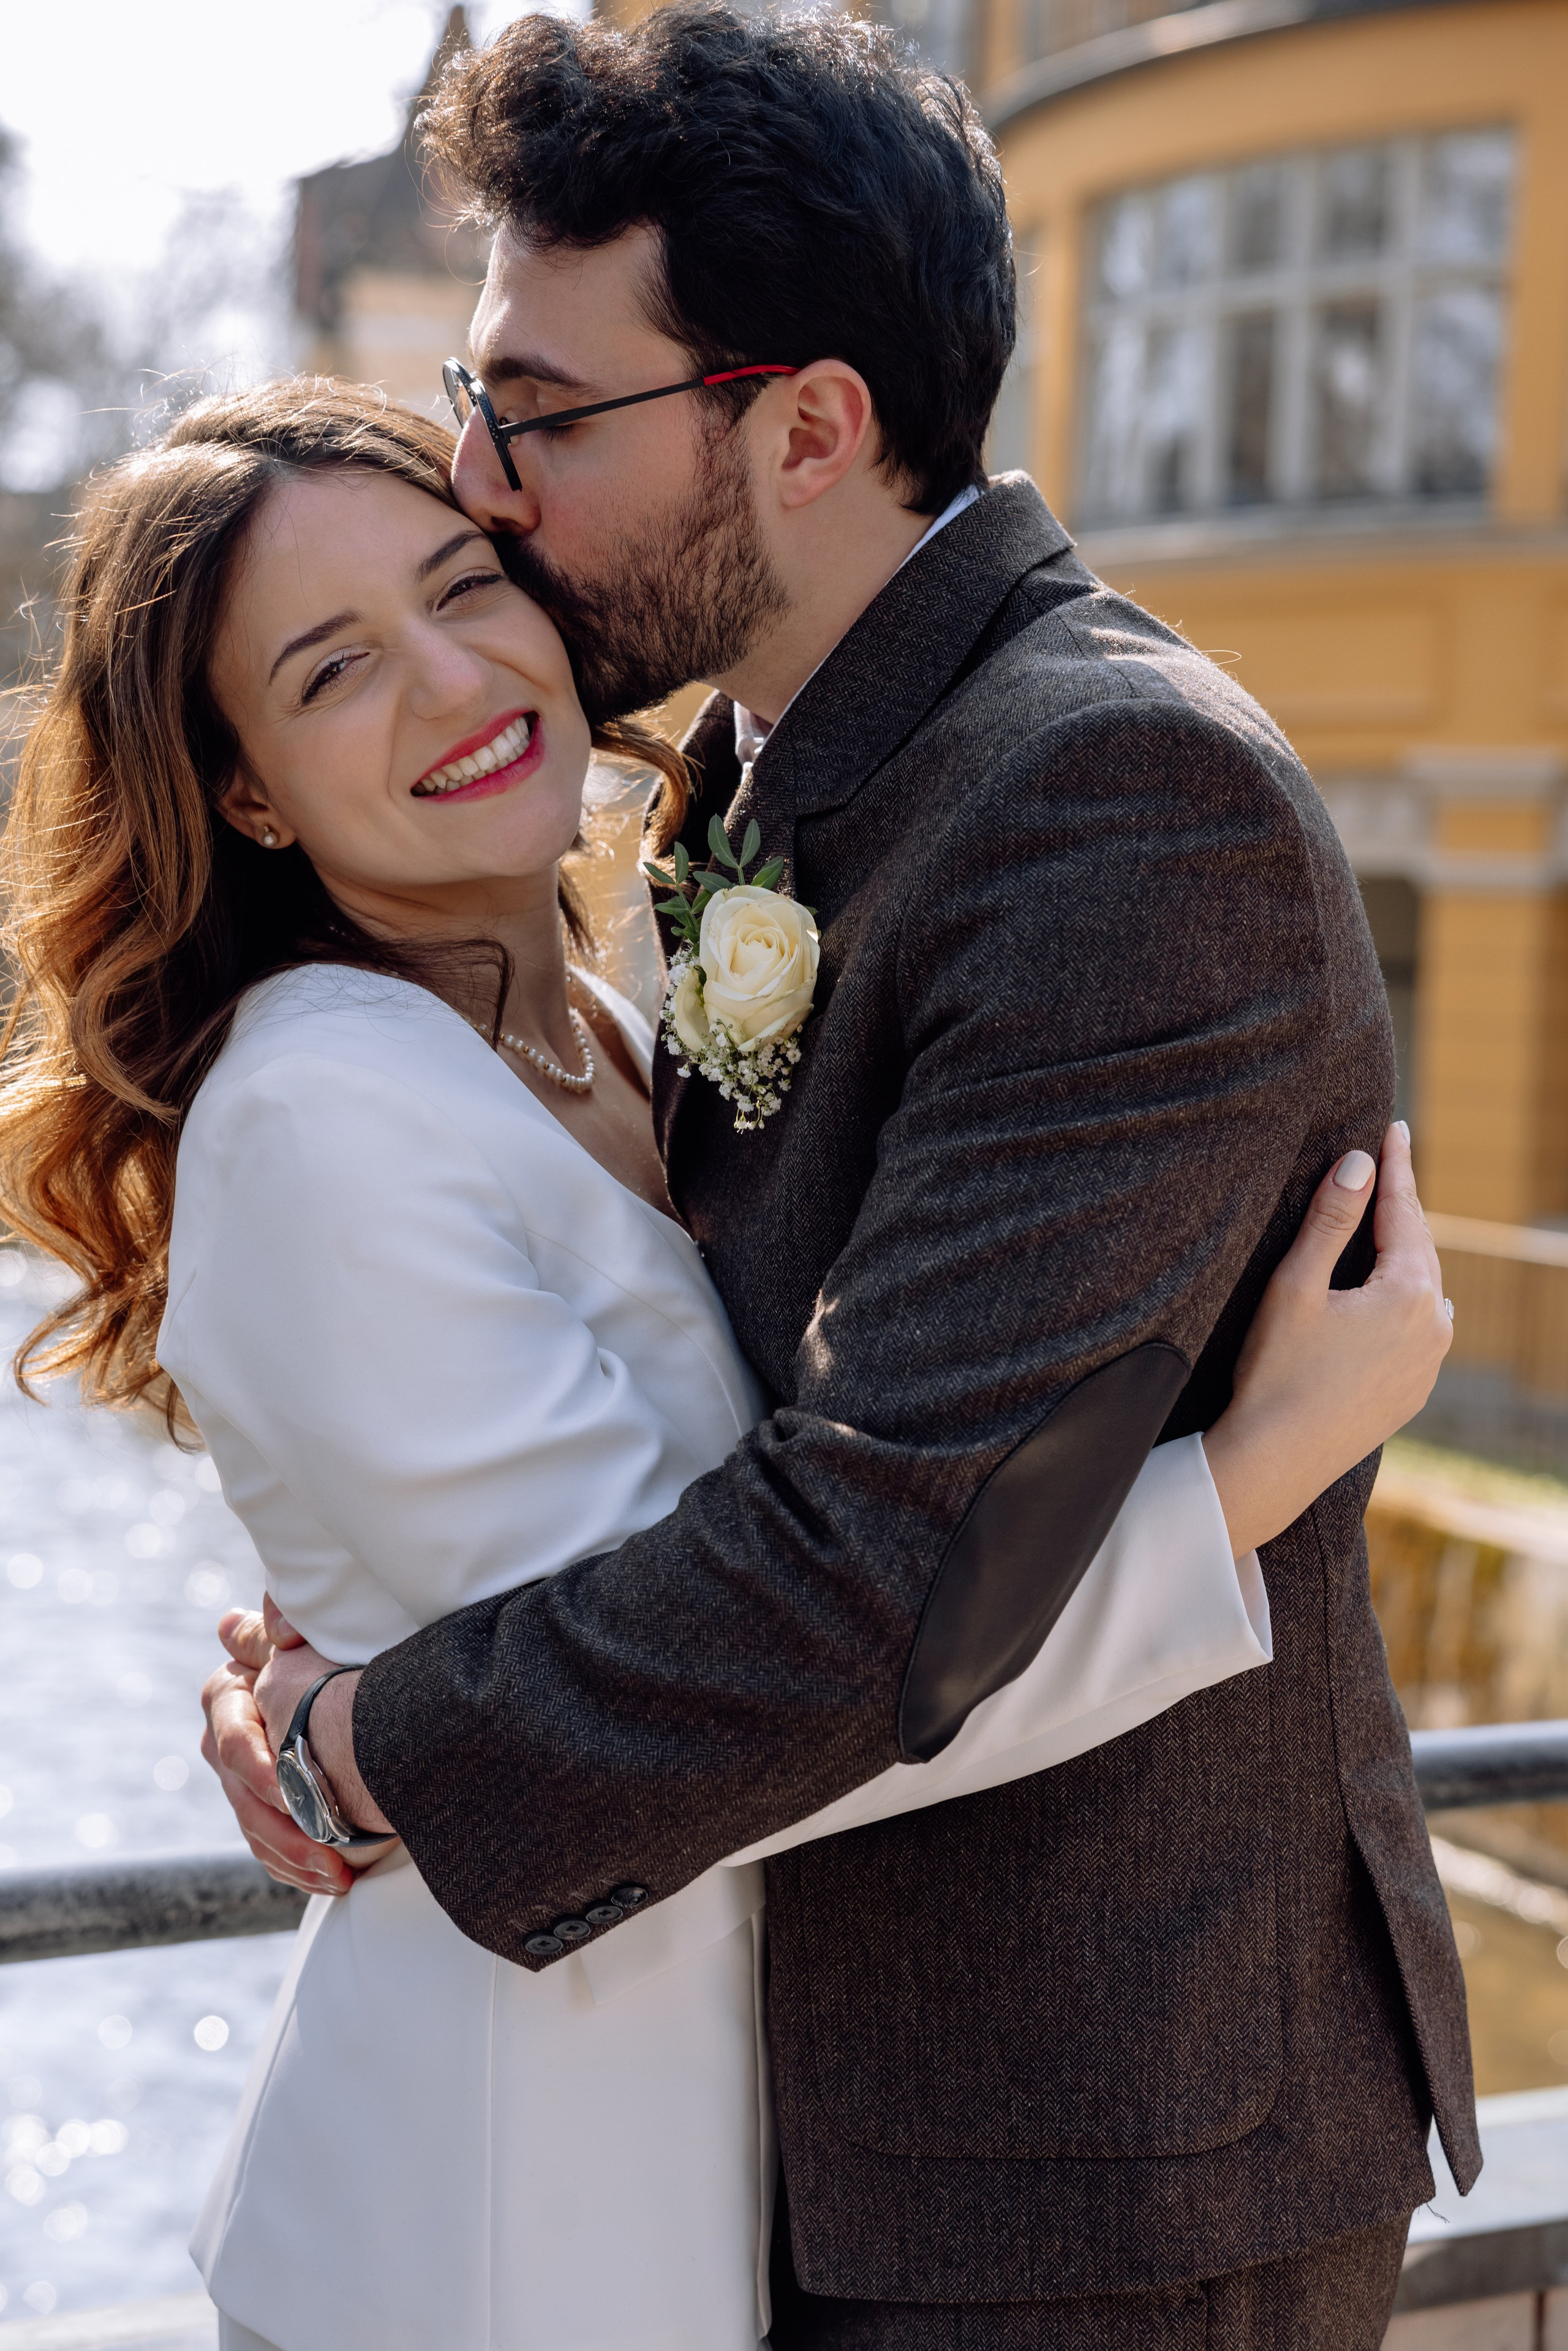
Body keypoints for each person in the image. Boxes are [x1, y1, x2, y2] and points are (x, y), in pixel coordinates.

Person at [198, 9, 1476, 2345]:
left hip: (1087, 2171)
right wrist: (376, 1619)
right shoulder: (759, 777)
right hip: (806, 2122)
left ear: (804, 429)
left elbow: (895, 1569)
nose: (484, 486)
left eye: (541, 417)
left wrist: (391, 1738)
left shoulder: (1114, 801)